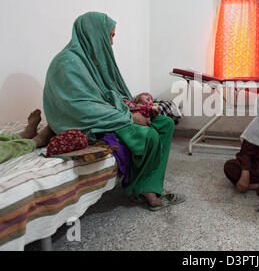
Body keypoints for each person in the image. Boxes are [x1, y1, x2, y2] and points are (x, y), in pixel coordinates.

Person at [43, 12, 184, 210]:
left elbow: (109, 95)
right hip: (87, 123)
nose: (111, 42)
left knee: (166, 123)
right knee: (148, 135)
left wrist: (132, 105)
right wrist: (129, 117)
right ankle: (143, 189)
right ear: (94, 34)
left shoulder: (93, 60)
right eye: (110, 36)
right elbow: (80, 109)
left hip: (108, 114)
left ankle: (147, 185)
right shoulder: (66, 63)